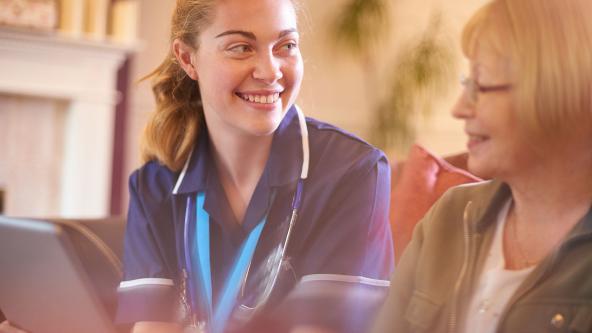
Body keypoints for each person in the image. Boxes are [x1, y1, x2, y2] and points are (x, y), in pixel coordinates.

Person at [114, 0, 393, 333]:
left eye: (285, 45)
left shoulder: (354, 172)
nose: (270, 70)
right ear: (188, 58)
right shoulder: (155, 186)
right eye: (241, 48)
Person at [372, 0, 592, 332]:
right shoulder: (450, 215)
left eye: (481, 85)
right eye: (466, 86)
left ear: (555, 91)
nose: (459, 109)